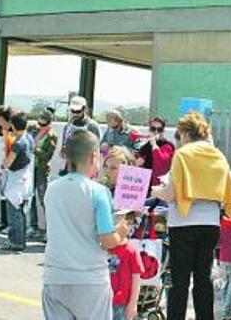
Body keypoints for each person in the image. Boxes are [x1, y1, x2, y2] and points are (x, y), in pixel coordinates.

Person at [155, 111, 231, 320]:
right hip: (210, 222)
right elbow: (229, 187)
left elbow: (172, 193)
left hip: (183, 221)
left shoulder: (182, 154)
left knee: (180, 279)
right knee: (203, 277)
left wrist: (156, 192)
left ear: (184, 133)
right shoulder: (218, 154)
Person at [42, 129, 129, 320]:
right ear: (93, 157)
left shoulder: (52, 189)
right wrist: (122, 230)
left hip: (55, 276)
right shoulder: (98, 192)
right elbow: (108, 241)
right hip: (90, 279)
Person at [0, 110, 34, 252]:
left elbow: (8, 163)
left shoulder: (18, 143)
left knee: (14, 213)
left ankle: (16, 242)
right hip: (26, 179)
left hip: (16, 179)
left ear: (13, 125)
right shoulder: (29, 138)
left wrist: (3, 164)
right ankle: (20, 240)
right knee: (21, 212)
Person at [27, 108, 57, 240]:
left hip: (41, 170)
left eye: (44, 124)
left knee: (44, 199)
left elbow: (47, 156)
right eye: (40, 122)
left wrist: (35, 149)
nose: (40, 126)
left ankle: (49, 230)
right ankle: (32, 226)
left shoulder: (52, 136)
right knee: (30, 198)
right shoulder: (32, 129)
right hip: (29, 169)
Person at [109, 212, 144, 320]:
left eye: (128, 223)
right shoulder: (104, 249)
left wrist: (133, 303)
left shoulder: (132, 251)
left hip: (122, 304)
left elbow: (136, 280)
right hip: (103, 302)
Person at [60, 96, 103, 175]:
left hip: (86, 165)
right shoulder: (68, 126)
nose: (76, 114)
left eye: (78, 111)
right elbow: (63, 144)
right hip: (70, 165)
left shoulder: (92, 126)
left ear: (84, 109)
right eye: (73, 111)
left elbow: (97, 148)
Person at [135, 116, 175, 187]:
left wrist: (154, 144)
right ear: (149, 130)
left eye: (159, 129)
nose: (156, 132)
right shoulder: (145, 147)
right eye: (153, 129)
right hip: (145, 185)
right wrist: (138, 163)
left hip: (160, 186)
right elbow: (137, 166)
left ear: (163, 131)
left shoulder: (168, 145)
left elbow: (161, 162)